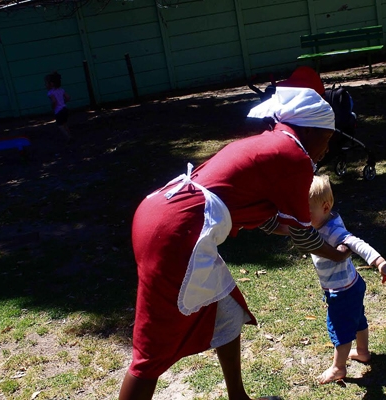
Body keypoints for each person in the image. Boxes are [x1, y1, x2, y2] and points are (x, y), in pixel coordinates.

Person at [118, 87, 352, 400]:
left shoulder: (273, 142)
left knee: (227, 311)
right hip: (176, 232)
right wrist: (335, 256)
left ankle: (238, 397)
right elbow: (302, 236)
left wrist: (297, 230)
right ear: (309, 129)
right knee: (151, 352)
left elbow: (264, 216)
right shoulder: (294, 155)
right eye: (327, 138)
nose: (326, 149)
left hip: (162, 215)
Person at [306, 174, 386, 384]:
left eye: (305, 212)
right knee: (357, 320)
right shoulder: (326, 218)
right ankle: (362, 352)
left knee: (339, 328)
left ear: (325, 207)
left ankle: (338, 367)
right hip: (352, 283)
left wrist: (380, 262)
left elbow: (357, 243)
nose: (301, 217)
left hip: (342, 290)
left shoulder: (333, 230)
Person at [44, 71, 72, 143]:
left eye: (47, 83)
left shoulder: (50, 93)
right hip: (64, 108)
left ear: (51, 84)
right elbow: (68, 97)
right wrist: (63, 102)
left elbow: (54, 101)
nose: (46, 85)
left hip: (58, 111)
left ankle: (68, 137)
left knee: (60, 125)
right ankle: (69, 135)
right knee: (65, 124)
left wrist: (53, 107)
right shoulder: (61, 90)